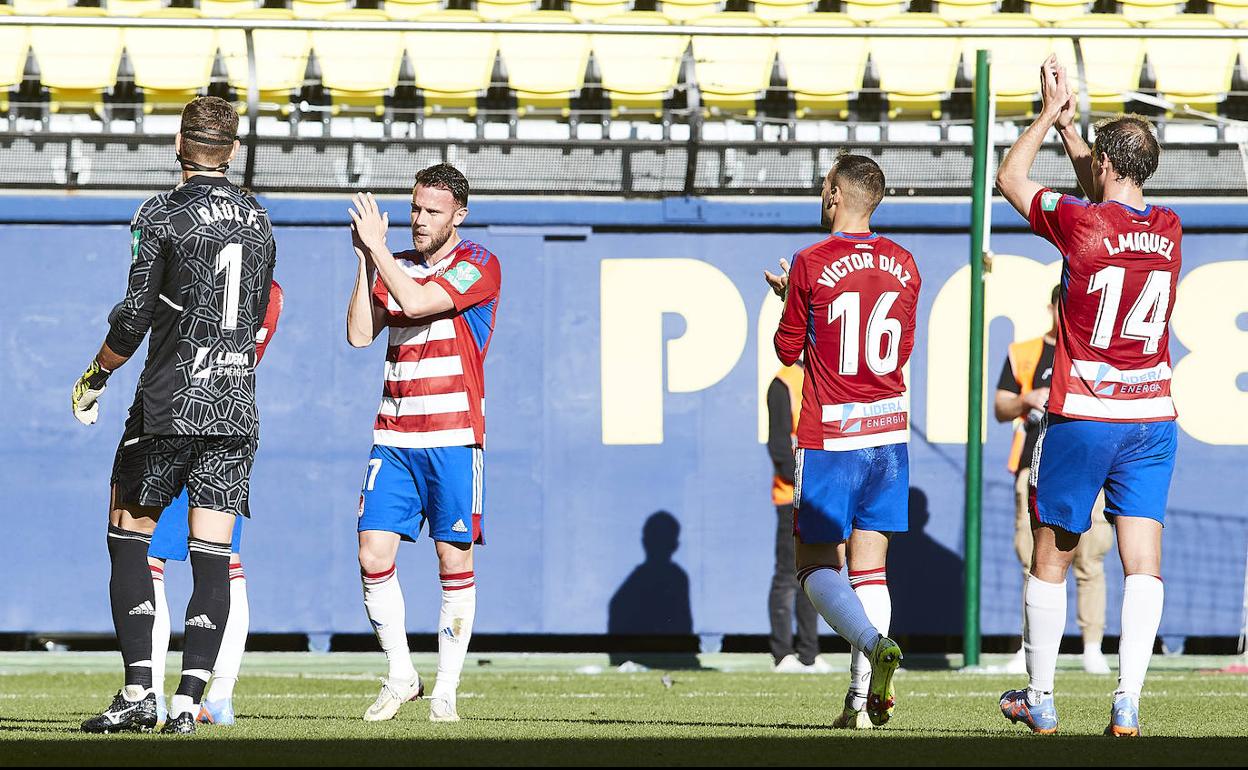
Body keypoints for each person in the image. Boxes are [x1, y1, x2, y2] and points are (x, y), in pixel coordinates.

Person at [71, 96, 277, 734]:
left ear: (179, 145)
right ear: (233, 150)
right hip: (235, 400)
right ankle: (189, 702)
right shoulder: (260, 219)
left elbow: (134, 314)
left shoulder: (160, 212)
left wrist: (96, 376)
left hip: (169, 402)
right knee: (212, 552)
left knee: (129, 533)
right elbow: (262, 305)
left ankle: (139, 694)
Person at [995, 56, 1181, 737]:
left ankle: (1040, 696)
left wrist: (1048, 116)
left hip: (1086, 412)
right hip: (1152, 416)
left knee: (1054, 551)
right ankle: (1127, 699)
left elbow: (1009, 179)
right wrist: (1081, 135)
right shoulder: (1168, 228)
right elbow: (1107, 198)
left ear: (1103, 164)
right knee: (1143, 561)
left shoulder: (1080, 225)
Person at [764, 151, 919, 728]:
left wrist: (790, 300)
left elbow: (787, 351)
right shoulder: (905, 263)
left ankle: (874, 647)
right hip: (888, 433)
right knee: (872, 569)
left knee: (813, 567)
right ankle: (859, 701)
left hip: (831, 434)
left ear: (834, 194)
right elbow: (899, 352)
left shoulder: (810, 261)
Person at [345, 164, 501, 723]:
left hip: (454, 435)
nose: (419, 220)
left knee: (450, 559)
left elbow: (414, 304)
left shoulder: (479, 264)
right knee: (372, 553)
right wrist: (367, 260)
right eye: (414, 208)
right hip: (393, 435)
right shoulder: (397, 263)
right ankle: (401, 675)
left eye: (432, 211)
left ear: (459, 215)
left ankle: (446, 690)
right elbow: (362, 333)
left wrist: (378, 250)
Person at [147, 280, 284, 728]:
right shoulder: (269, 289)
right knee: (224, 560)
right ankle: (219, 695)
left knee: (149, 556)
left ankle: (148, 691)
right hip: (230, 421)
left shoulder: (192, 269)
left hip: (175, 418)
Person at [994, 285, 1113, 676]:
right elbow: (999, 406)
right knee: (1032, 559)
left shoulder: (1094, 351)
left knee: (1089, 557)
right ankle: (1028, 648)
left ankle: (1092, 646)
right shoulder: (1027, 351)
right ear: (1052, 306)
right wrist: (1027, 400)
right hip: (1035, 465)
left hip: (1085, 467)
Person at [764, 361, 827, 674]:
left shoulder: (826, 377)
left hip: (819, 498)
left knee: (814, 574)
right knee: (787, 574)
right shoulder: (783, 384)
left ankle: (809, 654)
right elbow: (778, 447)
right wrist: (804, 482)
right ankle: (782, 654)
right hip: (792, 497)